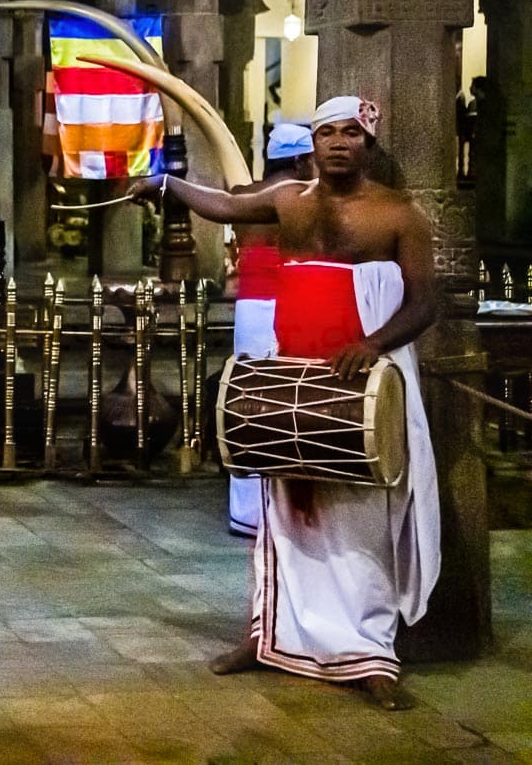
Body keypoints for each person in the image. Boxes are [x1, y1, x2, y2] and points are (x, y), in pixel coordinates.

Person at [131, 96, 440, 710]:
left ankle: (372, 655)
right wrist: (166, 184)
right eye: (326, 133)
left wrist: (373, 344)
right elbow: (224, 205)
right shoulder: (286, 199)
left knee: (363, 518)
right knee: (285, 507)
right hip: (292, 366)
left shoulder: (398, 214)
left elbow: (426, 303)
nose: (337, 144)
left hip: (357, 373)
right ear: (313, 144)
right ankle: (268, 636)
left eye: (351, 133)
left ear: (368, 144)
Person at [225, 123, 316, 537]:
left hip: (247, 308)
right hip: (285, 304)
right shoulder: (300, 198)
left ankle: (245, 511)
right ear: (300, 160)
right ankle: (275, 512)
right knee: (284, 402)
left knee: (247, 401)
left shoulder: (244, 194)